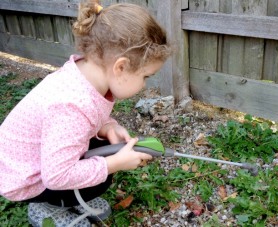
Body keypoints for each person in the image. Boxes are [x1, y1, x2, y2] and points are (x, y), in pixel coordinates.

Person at [0, 0, 171, 226]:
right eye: (145, 76)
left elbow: (88, 117)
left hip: (42, 158)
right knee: (104, 169)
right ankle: (49, 209)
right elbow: (57, 175)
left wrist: (108, 126)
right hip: (26, 177)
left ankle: (69, 198)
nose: (145, 84)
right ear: (120, 67)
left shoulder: (86, 74)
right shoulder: (71, 105)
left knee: (104, 152)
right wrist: (114, 164)